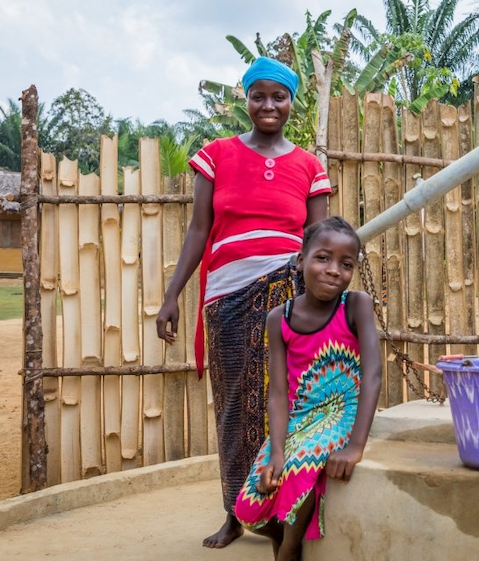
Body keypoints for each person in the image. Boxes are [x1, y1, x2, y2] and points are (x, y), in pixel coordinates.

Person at [155, 56, 331, 549]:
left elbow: (316, 241)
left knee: (286, 405)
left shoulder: (309, 167)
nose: (269, 105)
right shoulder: (215, 156)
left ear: (293, 102)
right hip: (227, 296)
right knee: (234, 406)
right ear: (246, 99)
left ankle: (281, 512)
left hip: (287, 299)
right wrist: (172, 295)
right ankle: (235, 511)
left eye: (279, 96)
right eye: (259, 96)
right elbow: (198, 230)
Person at [233, 217, 382, 561]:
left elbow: (373, 374)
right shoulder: (279, 318)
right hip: (300, 417)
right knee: (248, 505)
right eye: (322, 258)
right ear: (301, 260)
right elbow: (279, 394)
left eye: (346, 265)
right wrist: (277, 451)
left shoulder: (355, 305)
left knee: (299, 474)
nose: (333, 271)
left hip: (342, 412)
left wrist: (355, 446)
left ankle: (289, 550)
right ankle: (277, 535)